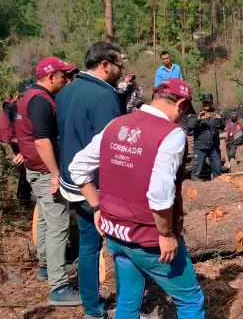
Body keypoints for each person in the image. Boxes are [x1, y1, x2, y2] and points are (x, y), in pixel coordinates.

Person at [69, 80, 205, 319]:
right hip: (149, 239)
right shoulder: (171, 134)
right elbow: (160, 195)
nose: (181, 120)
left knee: (128, 302)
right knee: (190, 300)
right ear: (181, 104)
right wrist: (166, 234)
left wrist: (97, 206)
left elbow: (78, 167)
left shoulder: (116, 124)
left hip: (116, 235)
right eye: (184, 113)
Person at [56, 41, 124, 319]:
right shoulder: (104, 96)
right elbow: (111, 148)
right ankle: (128, 306)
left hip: (72, 183)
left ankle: (92, 309)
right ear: (105, 65)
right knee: (120, 245)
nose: (122, 70)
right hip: (96, 186)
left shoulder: (66, 90)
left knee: (87, 246)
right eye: (120, 64)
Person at [15, 57, 81, 305]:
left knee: (44, 219)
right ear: (51, 76)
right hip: (45, 172)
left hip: (35, 170)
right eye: (63, 75)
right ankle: (59, 288)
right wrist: (55, 174)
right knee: (58, 227)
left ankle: (46, 265)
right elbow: (42, 141)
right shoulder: (42, 101)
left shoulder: (29, 96)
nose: (66, 80)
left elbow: (27, 133)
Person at [0, 89, 33, 207]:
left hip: (12, 140)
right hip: (12, 141)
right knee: (24, 167)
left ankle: (24, 199)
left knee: (24, 168)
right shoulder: (13, 107)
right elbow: (10, 132)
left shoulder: (12, 104)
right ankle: (24, 199)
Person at [187, 94, 224, 180]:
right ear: (202, 104)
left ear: (211, 103)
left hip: (213, 147)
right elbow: (189, 126)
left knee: (217, 170)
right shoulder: (195, 113)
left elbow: (222, 127)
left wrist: (220, 120)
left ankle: (218, 190)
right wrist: (198, 119)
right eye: (205, 103)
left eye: (208, 103)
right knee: (196, 171)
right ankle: (195, 188)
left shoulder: (215, 113)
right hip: (200, 147)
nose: (207, 105)